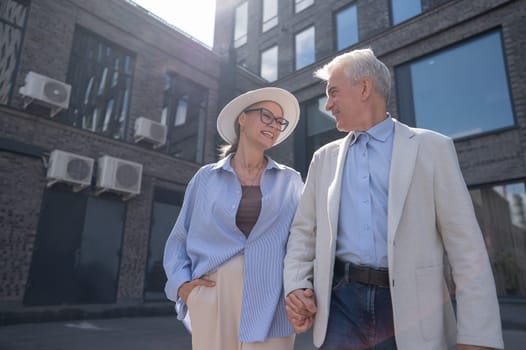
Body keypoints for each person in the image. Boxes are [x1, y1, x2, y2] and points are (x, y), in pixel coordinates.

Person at [283, 48, 504, 350]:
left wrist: (477, 336)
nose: (328, 104)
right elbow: (303, 232)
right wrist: (297, 284)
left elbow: (465, 245)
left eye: (333, 93)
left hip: (412, 312)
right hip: (340, 307)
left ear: (364, 88)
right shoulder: (323, 158)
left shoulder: (432, 148)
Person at [163, 87, 303, 350]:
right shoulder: (205, 178)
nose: (274, 125)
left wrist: (301, 288)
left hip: (272, 298)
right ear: (242, 118)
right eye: (266, 116)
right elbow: (179, 238)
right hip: (213, 295)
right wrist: (182, 286)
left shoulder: (291, 181)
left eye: (279, 121)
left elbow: (303, 239)